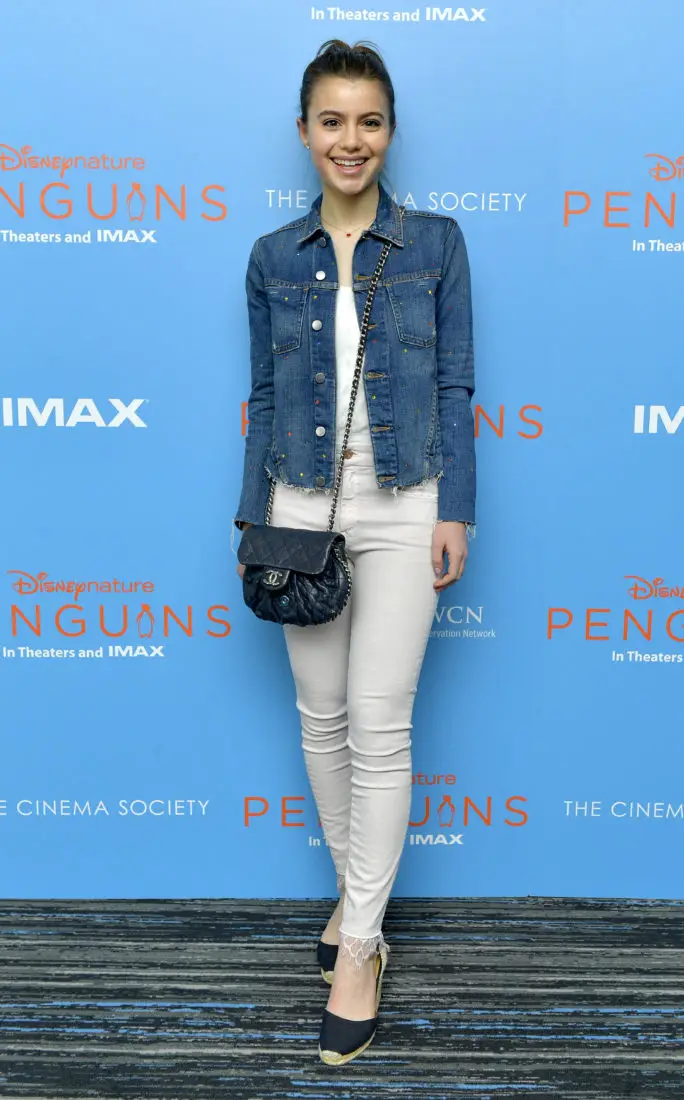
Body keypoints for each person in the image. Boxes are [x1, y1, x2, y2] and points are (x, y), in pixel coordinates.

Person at [233, 39, 476, 1065]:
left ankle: (361, 948)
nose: (350, 139)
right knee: (321, 718)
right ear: (304, 132)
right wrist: (250, 520)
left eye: (368, 121)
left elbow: (456, 385)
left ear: (390, 132)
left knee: (378, 723)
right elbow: (262, 399)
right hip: (298, 505)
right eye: (331, 120)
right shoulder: (271, 257)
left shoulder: (435, 244)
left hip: (407, 502)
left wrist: (456, 510)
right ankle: (354, 897)